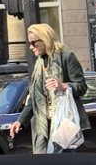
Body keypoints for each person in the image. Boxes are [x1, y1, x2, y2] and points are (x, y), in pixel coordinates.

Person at [9, 23, 88, 154]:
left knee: (64, 164)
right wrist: (20, 121)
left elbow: (82, 86)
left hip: (64, 122)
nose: (31, 47)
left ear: (45, 39)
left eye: (34, 43)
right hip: (43, 125)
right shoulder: (39, 64)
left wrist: (63, 86)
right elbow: (34, 100)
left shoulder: (66, 57)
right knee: (45, 164)